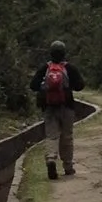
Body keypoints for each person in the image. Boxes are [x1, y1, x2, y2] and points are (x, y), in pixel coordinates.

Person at [29, 40, 84, 179]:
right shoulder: (69, 68)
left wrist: (45, 87)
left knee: (52, 136)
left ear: (51, 53)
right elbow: (80, 86)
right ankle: (68, 166)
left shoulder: (45, 68)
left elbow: (33, 85)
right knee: (67, 137)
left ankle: (51, 159)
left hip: (49, 108)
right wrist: (67, 86)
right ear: (64, 53)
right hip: (67, 107)